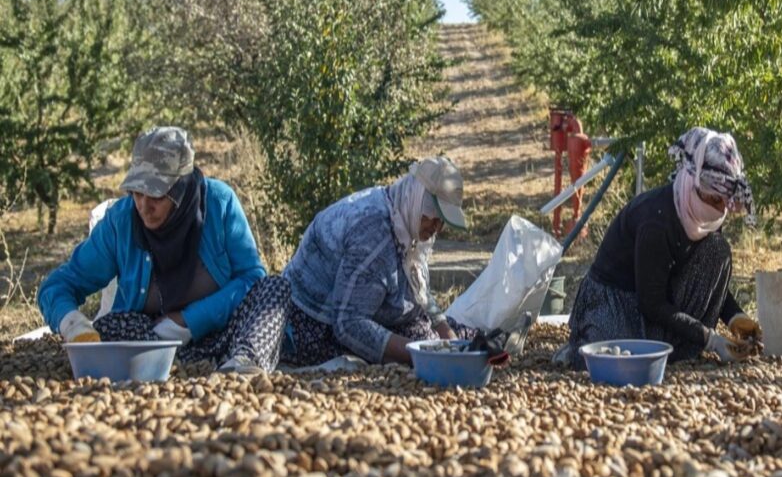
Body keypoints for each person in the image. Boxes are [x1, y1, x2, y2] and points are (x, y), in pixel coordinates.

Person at [39, 127, 290, 373]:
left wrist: (187, 321)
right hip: (155, 345)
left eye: (156, 196)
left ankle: (243, 367)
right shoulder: (121, 222)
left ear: (180, 188)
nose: (143, 207)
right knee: (111, 326)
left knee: (274, 288)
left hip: (227, 337)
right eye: (137, 193)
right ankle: (167, 369)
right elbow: (58, 286)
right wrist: (72, 323)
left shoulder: (219, 203)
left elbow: (252, 278)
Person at [559, 127, 763, 368]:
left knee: (718, 249)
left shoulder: (702, 215)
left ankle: (678, 345)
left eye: (724, 202)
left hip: (658, 297)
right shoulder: (657, 222)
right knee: (615, 358)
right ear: (695, 185)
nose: (720, 210)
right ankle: (577, 349)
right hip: (616, 301)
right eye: (715, 200)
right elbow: (651, 302)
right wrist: (710, 340)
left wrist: (735, 318)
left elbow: (710, 280)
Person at [282, 156, 476, 366]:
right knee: (429, 346)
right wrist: (422, 355)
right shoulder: (374, 236)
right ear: (417, 198)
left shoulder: (404, 215)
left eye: (443, 222)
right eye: (434, 217)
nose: (437, 229)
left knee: (455, 339)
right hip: (316, 326)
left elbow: (418, 287)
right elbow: (348, 323)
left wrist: (447, 334)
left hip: (372, 312)